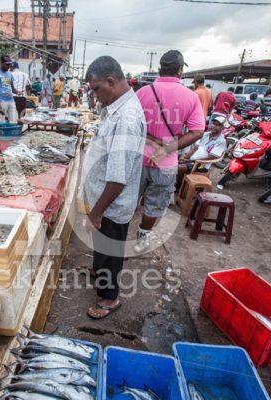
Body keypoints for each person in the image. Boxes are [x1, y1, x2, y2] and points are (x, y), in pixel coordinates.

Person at [81, 56, 145, 319]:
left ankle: (110, 297)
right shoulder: (117, 107)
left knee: (110, 250)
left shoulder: (126, 119)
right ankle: (99, 272)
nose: (95, 97)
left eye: (96, 89)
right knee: (102, 244)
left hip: (112, 203)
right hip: (104, 199)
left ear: (111, 81)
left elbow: (118, 177)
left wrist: (96, 213)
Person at [134, 50, 205, 253]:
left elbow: (130, 125)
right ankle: (141, 239)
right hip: (165, 164)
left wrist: (149, 139)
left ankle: (119, 235)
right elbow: (197, 131)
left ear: (159, 69)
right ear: (180, 71)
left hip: (138, 158)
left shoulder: (142, 92)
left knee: (128, 199)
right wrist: (166, 149)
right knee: (155, 204)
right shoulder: (190, 97)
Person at [177, 116, 227, 187]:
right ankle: (179, 186)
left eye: (217, 125)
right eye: (214, 124)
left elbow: (211, 157)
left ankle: (178, 188)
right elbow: (195, 148)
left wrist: (192, 160)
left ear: (223, 128)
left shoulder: (221, 141)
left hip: (202, 165)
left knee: (178, 168)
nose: (214, 126)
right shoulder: (205, 134)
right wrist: (185, 157)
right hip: (192, 160)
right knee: (174, 161)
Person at [0, 54, 18, 123]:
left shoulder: (10, 74)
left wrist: (18, 92)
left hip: (11, 100)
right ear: (1, 63)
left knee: (13, 122)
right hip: (2, 101)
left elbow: (13, 88)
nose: (9, 66)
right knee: (1, 122)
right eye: (7, 64)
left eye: (10, 65)